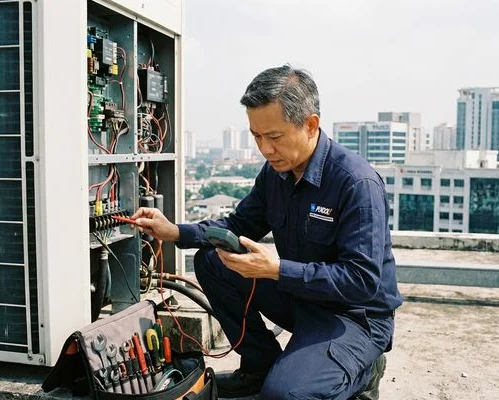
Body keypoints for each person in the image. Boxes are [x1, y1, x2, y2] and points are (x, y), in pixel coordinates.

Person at [131, 65, 402, 399]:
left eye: (274, 137)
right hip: (301, 297)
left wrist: (276, 269)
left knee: (284, 395)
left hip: (354, 317)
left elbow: (361, 281)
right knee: (213, 261)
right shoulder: (276, 174)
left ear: (311, 125)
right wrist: (174, 231)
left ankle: (363, 370)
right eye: (257, 136)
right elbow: (237, 226)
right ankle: (260, 365)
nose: (265, 149)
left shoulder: (355, 183)